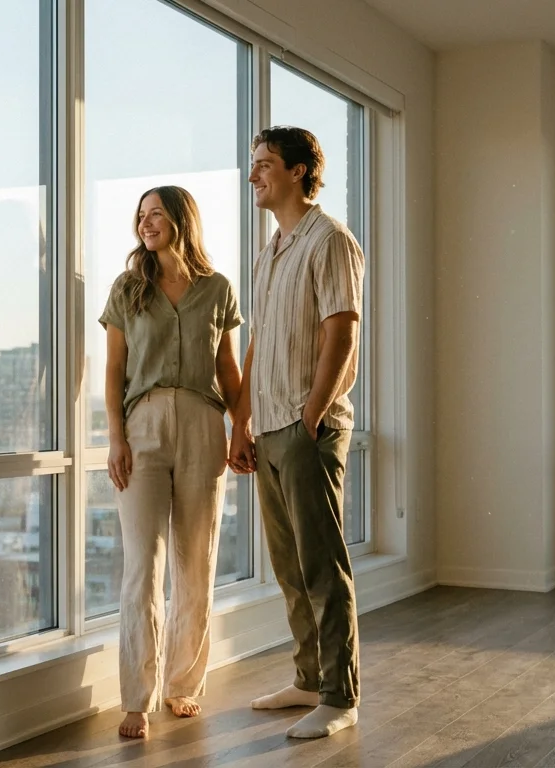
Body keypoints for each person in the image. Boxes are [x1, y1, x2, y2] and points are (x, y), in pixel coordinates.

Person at [229, 126, 365, 739]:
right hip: (268, 429)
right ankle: (309, 679)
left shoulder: (329, 239)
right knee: (289, 568)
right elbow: (259, 343)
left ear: (299, 171)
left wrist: (311, 415)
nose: (253, 174)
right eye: (253, 164)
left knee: (322, 568)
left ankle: (339, 697)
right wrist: (241, 422)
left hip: (308, 427)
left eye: (264, 164)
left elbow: (342, 331)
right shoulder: (270, 251)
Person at [101, 185, 245, 739]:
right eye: (141, 215)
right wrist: (116, 438)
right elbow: (114, 371)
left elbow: (228, 370)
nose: (145, 223)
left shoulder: (217, 289)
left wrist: (241, 428)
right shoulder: (128, 288)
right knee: (143, 566)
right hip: (143, 427)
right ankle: (136, 699)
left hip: (204, 426)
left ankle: (182, 683)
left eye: (156, 213)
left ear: (182, 219)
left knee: (196, 563)